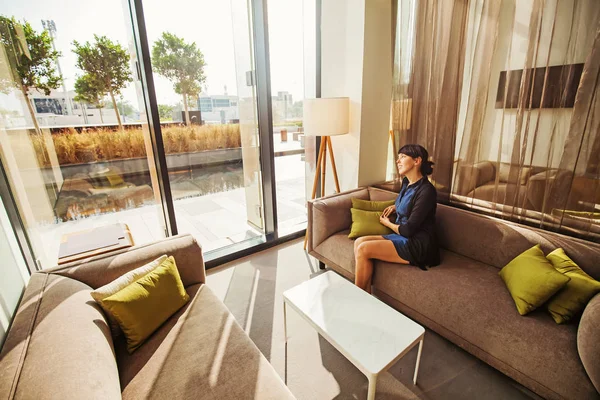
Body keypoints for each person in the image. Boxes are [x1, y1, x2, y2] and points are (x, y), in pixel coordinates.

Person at [354, 144, 440, 293]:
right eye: (398, 157)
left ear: (417, 161)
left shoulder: (427, 191)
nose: (397, 161)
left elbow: (408, 230)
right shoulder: (407, 182)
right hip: (402, 236)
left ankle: (358, 298)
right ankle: (365, 295)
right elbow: (408, 201)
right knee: (359, 241)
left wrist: (387, 223)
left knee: (363, 249)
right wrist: (396, 206)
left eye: (403, 157)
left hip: (417, 243)